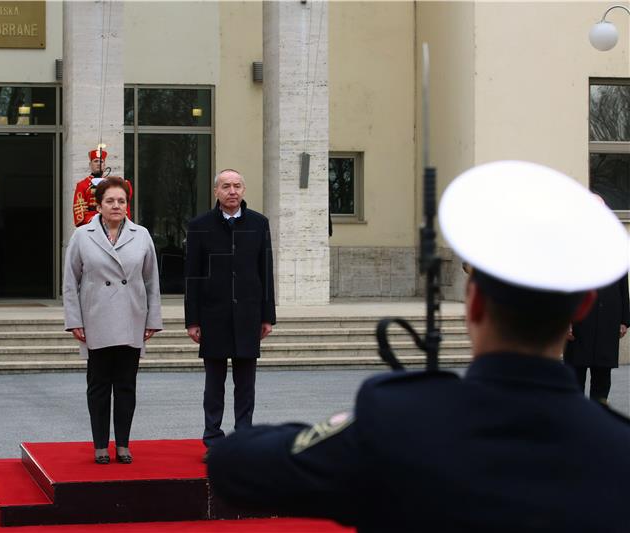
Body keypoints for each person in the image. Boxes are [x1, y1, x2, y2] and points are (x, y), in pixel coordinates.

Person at [207, 160, 630, 532]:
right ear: (584, 306)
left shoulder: (398, 419)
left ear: (474, 301)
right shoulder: (617, 449)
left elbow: (234, 467)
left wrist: (369, 422)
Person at [63, 176, 162, 464]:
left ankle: (123, 444)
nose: (116, 206)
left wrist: (152, 318)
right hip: (96, 318)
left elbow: (151, 280)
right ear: (99, 205)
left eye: (121, 201)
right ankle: (99, 446)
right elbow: (71, 282)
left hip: (131, 317)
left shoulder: (141, 234)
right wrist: (74, 319)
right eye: (110, 201)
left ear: (127, 205)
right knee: (98, 385)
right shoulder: (82, 235)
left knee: (126, 385)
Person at [184, 169, 276, 457]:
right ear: (216, 192)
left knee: (246, 385)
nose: (232, 191)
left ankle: (243, 438)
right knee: (214, 385)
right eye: (226, 186)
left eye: (237, 185)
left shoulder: (259, 224)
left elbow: (266, 272)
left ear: (244, 190)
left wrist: (267, 316)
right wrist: (193, 320)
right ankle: (213, 438)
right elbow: (193, 277)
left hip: (249, 315)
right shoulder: (200, 225)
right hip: (214, 316)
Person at [564, 274, 629, 402]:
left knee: (602, 376)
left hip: (608, 319)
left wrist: (624, 320)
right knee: (575, 375)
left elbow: (623, 285)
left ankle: (598, 416)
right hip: (579, 320)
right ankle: (574, 417)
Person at [72, 148, 132, 227]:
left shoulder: (112, 183)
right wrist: (94, 221)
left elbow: (126, 195)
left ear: (104, 165)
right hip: (91, 222)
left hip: (111, 219)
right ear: (90, 164)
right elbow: (80, 211)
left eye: (101, 161)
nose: (98, 164)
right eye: (96, 161)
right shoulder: (82, 185)